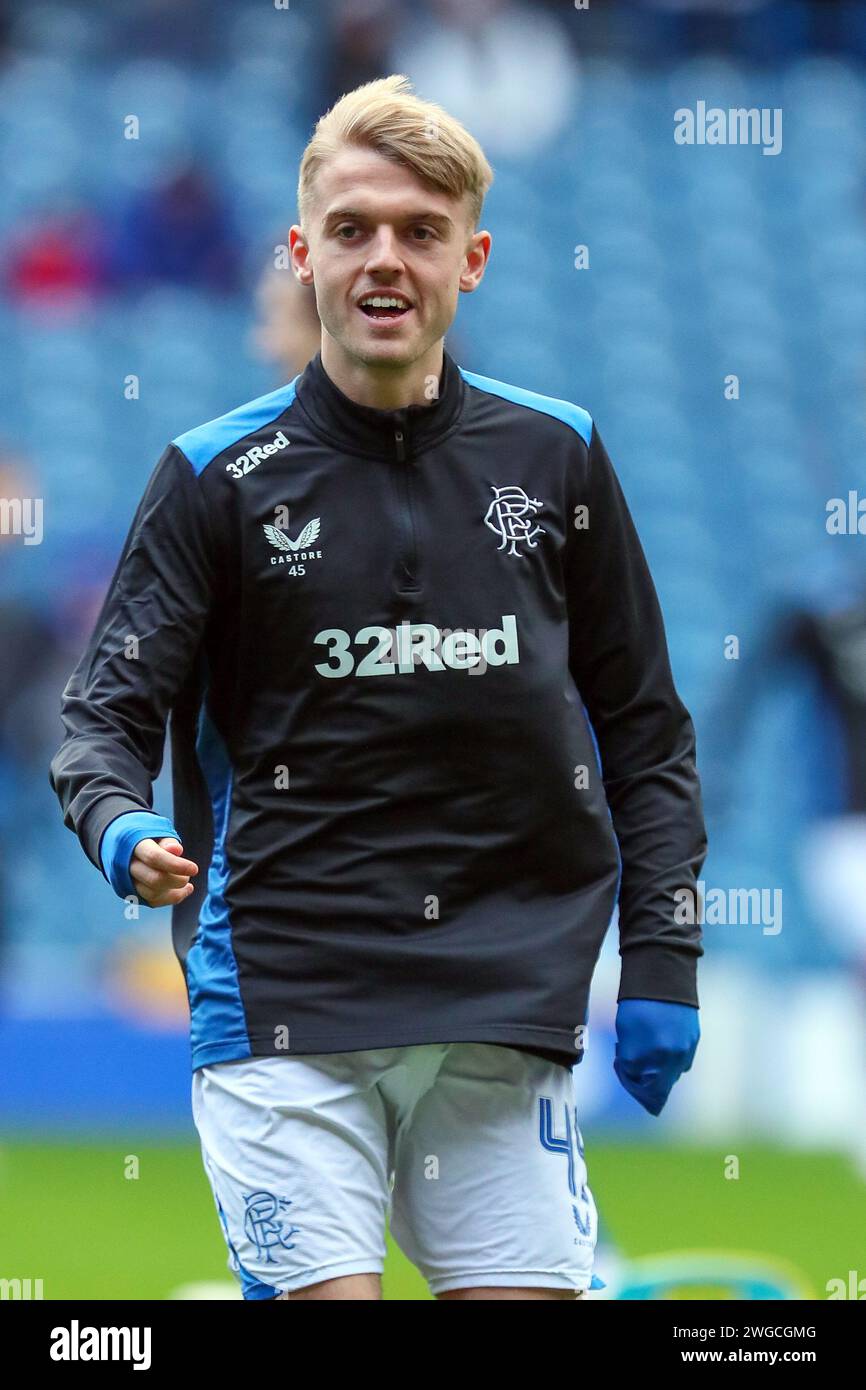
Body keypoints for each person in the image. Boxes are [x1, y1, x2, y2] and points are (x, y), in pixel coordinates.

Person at [49, 74, 707, 1302]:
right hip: (288, 999)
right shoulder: (212, 477)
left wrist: (662, 959)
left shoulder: (555, 454)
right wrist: (120, 824)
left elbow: (645, 730)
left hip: (502, 1002)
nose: (383, 258)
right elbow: (102, 718)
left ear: (474, 258)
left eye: (419, 230)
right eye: (350, 229)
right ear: (303, 252)